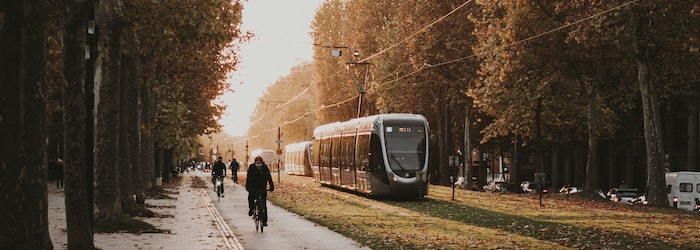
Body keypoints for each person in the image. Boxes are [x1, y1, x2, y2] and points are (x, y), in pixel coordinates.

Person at [246, 156, 274, 225]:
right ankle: (251, 209)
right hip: (253, 188)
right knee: (251, 198)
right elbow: (249, 177)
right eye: (257, 162)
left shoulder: (264, 167)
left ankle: (264, 221)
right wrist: (248, 187)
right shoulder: (251, 167)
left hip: (262, 188)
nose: (258, 164)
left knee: (263, 205)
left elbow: (269, 177)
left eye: (259, 162)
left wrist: (271, 186)